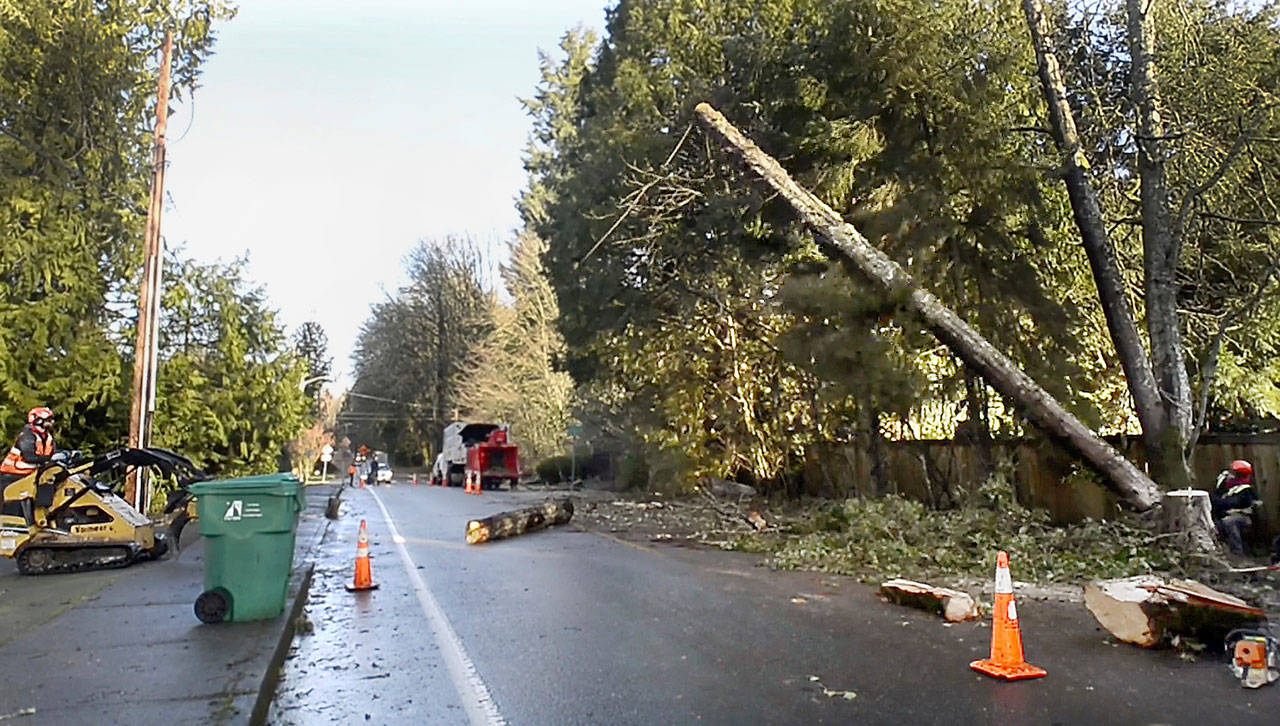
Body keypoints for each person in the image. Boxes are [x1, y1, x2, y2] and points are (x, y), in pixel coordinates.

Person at [1211, 459, 1257, 556]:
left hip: (1243, 517)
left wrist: (1216, 500)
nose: (1229, 475)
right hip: (1226, 515)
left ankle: (1237, 552)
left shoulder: (1245, 490)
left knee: (1229, 522)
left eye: (1233, 473)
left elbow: (1228, 503)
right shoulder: (1227, 486)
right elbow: (1216, 499)